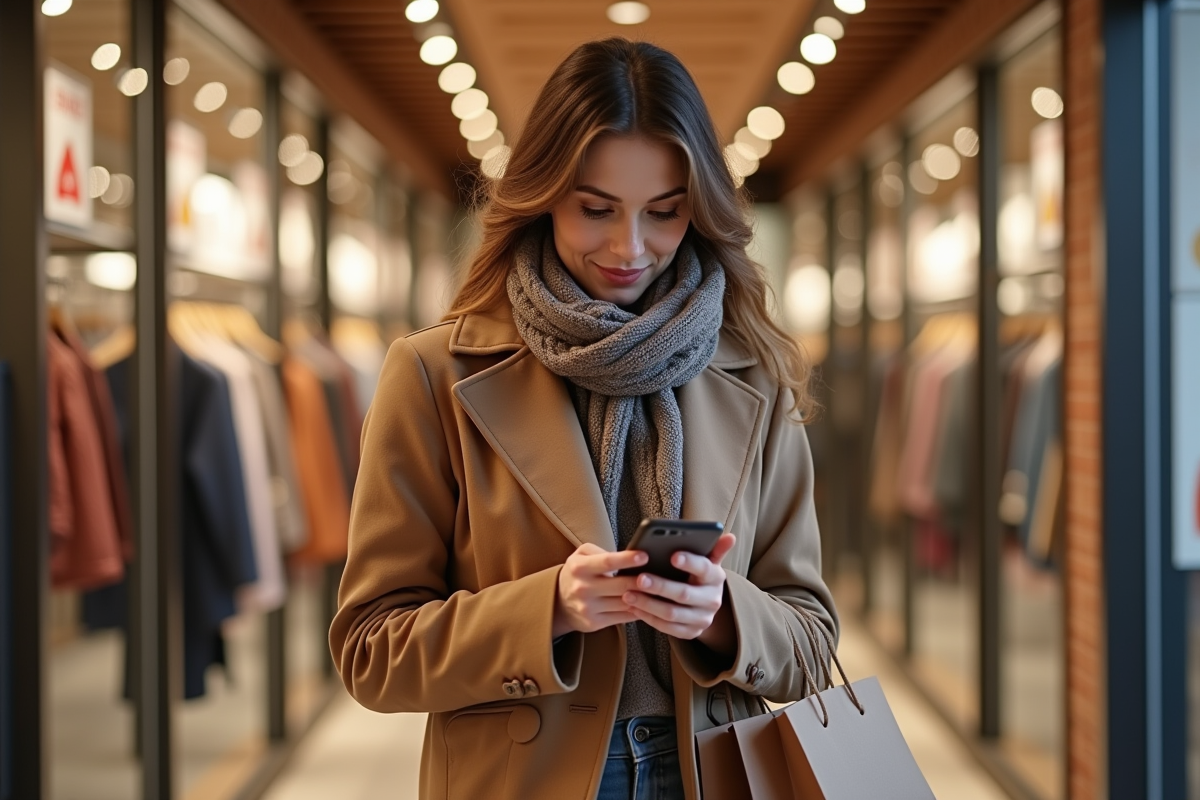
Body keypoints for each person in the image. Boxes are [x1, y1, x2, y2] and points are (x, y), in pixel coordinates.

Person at [329, 37, 838, 800]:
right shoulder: (434, 374)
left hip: (713, 772)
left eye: (664, 213)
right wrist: (549, 609)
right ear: (541, 197)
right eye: (595, 208)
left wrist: (723, 613)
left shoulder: (753, 376)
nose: (630, 247)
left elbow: (810, 638)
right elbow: (371, 651)